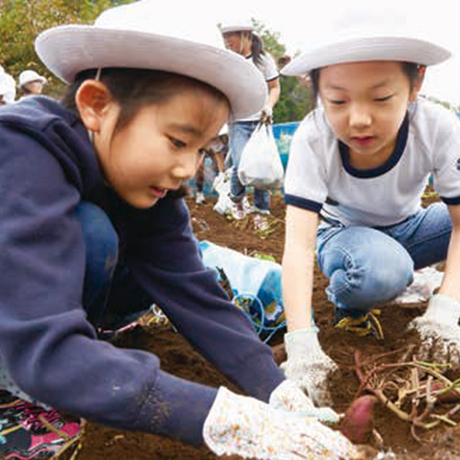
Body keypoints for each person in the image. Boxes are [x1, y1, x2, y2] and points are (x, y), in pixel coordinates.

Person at [0, 2, 359, 459]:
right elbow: (37, 330)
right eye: (177, 141)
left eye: (202, 149)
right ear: (96, 106)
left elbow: (194, 293)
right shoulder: (22, 151)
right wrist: (220, 418)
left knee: (142, 265)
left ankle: (75, 354)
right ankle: (23, 376)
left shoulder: (149, 187)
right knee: (94, 236)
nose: (188, 168)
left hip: (42, 312)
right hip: (19, 316)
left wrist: (276, 392)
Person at [278, 8, 460, 408]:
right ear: (317, 90)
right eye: (337, 101)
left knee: (398, 259)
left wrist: (446, 310)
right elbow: (299, 245)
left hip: (410, 229)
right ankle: (350, 299)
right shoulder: (313, 138)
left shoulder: (439, 127)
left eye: (381, 98)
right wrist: (302, 344)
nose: (358, 119)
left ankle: (408, 281)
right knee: (384, 271)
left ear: (416, 84)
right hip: (343, 237)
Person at [219, 19, 281, 220]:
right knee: (240, 165)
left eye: (231, 36)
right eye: (225, 37)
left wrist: (268, 106)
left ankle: (261, 212)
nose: (227, 41)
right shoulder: (229, 61)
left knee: (260, 167)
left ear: (245, 35)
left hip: (261, 121)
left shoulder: (263, 60)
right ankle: (236, 200)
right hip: (238, 120)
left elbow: (275, 87)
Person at [194, 125, 228, 204]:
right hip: (199, 141)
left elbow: (220, 160)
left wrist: (222, 174)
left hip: (212, 136)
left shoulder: (218, 138)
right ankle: (199, 193)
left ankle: (223, 195)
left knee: (220, 169)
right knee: (200, 168)